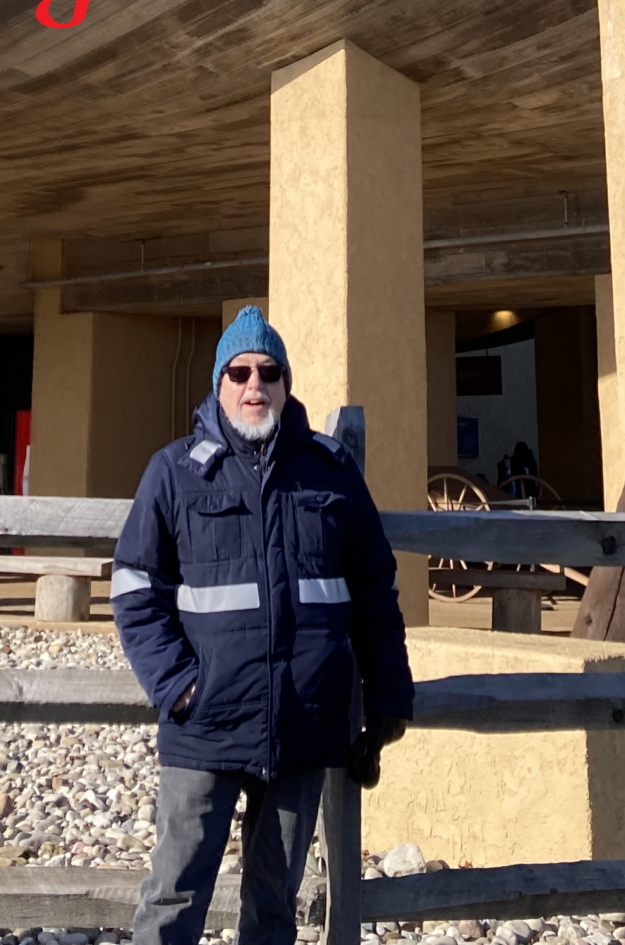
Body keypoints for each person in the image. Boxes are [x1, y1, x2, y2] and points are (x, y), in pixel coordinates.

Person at [113, 307, 415, 945]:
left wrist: (389, 697)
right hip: (206, 727)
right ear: (219, 384)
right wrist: (179, 687)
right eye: (240, 372)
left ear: (286, 383)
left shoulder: (331, 473)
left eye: (268, 372)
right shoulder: (174, 472)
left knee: (275, 902)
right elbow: (136, 592)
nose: (255, 385)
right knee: (173, 896)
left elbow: (374, 593)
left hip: (304, 725)